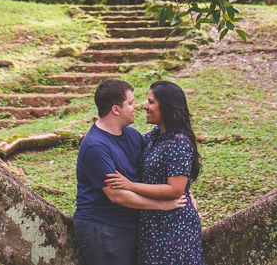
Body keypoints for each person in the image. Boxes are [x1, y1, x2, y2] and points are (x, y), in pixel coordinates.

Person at [74, 79, 186, 265]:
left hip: (131, 224)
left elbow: (154, 166)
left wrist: (183, 189)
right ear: (116, 109)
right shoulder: (96, 146)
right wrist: (162, 204)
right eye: (130, 103)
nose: (137, 106)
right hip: (103, 227)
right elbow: (117, 195)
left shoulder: (132, 135)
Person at [104, 80, 205, 265]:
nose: (144, 106)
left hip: (174, 227)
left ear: (166, 107)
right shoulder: (154, 136)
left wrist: (130, 186)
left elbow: (175, 190)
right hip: (152, 224)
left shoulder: (179, 142)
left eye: (151, 102)